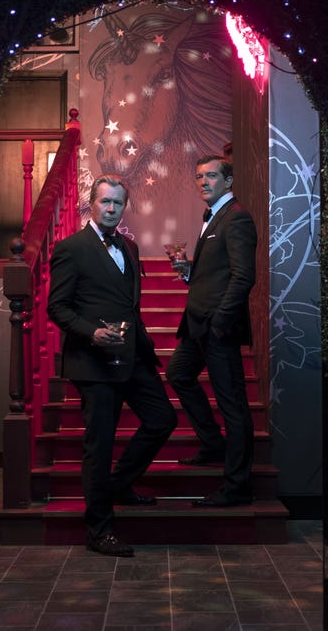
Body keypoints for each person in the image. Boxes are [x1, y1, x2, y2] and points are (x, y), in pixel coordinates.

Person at [47, 174, 177, 557]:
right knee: (98, 448)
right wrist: (92, 333)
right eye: (104, 202)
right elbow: (57, 307)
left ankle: (119, 484)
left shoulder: (130, 248)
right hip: (93, 361)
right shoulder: (71, 248)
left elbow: (129, 303)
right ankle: (99, 530)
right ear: (92, 203)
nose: (110, 209)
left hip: (133, 355)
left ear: (124, 207)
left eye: (117, 203)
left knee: (162, 420)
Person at [165, 154, 257, 507]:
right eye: (199, 176)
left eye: (212, 176)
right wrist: (188, 271)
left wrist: (220, 321)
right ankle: (212, 443)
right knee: (178, 374)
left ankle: (237, 487)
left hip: (217, 326)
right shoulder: (213, 217)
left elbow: (243, 277)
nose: (203, 181)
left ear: (228, 181)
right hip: (196, 324)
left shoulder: (237, 218)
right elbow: (214, 274)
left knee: (233, 406)